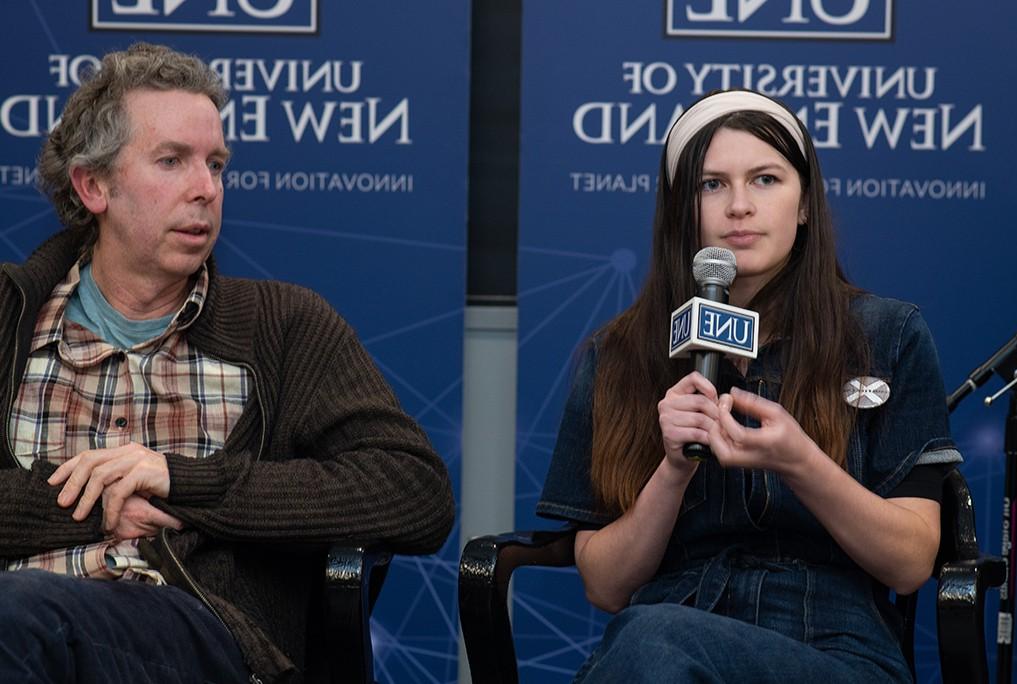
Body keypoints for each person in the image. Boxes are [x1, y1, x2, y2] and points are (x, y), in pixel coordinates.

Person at [0, 42, 454, 683]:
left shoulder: (283, 325)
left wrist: (183, 484)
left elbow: (415, 492)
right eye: (171, 161)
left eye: (215, 164)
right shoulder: (9, 317)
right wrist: (90, 506)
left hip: (191, 634)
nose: (205, 189)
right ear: (93, 185)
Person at [537, 89, 959, 682]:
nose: (739, 206)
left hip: (833, 648)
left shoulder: (888, 336)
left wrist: (800, 463)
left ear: (805, 204)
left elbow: (912, 562)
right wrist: (673, 471)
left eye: (765, 179)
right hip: (659, 638)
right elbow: (605, 587)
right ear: (684, 210)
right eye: (712, 185)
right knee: (651, 640)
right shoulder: (620, 355)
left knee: (650, 640)